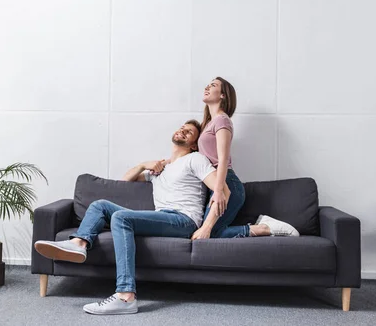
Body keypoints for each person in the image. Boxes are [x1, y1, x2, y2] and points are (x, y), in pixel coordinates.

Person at [34, 120, 297, 315]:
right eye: (181, 127)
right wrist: (143, 165)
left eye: (189, 132)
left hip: (183, 220)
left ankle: (125, 296)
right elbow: (124, 183)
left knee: (121, 219)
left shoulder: (195, 159)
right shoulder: (159, 169)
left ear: (194, 142)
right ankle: (80, 244)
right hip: (163, 217)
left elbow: (222, 191)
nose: (182, 131)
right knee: (101, 204)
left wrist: (206, 226)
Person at [191, 77, 299, 240]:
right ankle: (263, 226)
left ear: (223, 95)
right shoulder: (208, 123)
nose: (207, 87)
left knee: (209, 234)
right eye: (207, 85)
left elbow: (223, 158)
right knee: (207, 233)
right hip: (215, 183)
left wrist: (219, 190)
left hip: (226, 184)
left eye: (213, 85)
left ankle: (265, 228)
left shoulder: (222, 120)